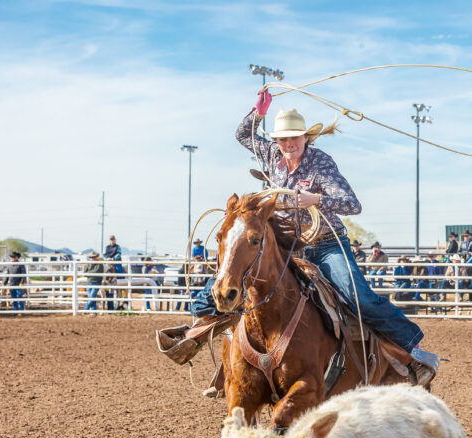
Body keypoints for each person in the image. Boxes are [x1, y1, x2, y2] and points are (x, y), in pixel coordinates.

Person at [156, 90, 439, 385]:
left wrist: (315, 199)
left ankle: (412, 349)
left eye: (294, 138)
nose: (288, 144)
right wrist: (259, 110)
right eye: (282, 139)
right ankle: (197, 328)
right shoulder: (270, 154)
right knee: (235, 273)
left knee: (358, 298)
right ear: (276, 141)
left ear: (306, 138)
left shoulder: (320, 163)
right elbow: (243, 134)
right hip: (288, 244)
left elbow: (352, 203)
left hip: (327, 243)